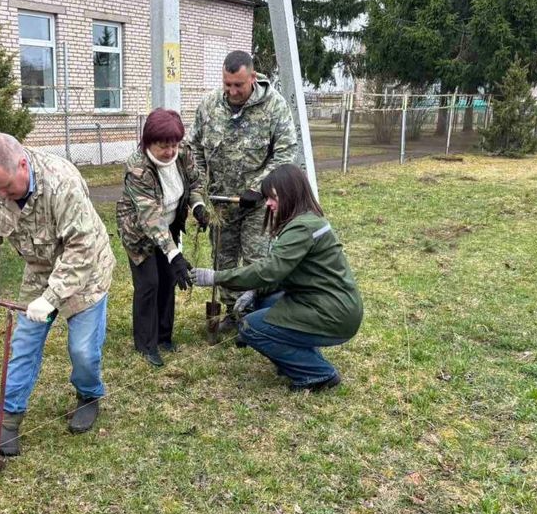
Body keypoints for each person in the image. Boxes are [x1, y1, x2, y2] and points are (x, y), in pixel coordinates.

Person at [0, 133, 115, 456]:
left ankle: (89, 394)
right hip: (40, 270)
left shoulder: (62, 181)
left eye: (6, 187)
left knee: (83, 351)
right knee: (23, 345)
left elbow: (81, 247)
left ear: (22, 164)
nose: (1, 195)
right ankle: (5, 425)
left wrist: (51, 298)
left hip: (87, 271)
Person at [191, 164, 362, 392]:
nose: (268, 204)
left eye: (273, 197)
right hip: (328, 303)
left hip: (334, 313)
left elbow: (268, 270)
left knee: (251, 327)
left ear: (290, 194)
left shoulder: (302, 228)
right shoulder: (306, 221)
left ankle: (318, 374)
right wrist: (254, 291)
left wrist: (216, 277)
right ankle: (299, 357)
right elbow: (282, 273)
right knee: (265, 301)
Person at [187, 50, 298, 333]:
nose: (233, 91)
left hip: (257, 204)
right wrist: (201, 190)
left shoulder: (274, 106)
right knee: (223, 260)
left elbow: (286, 152)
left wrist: (259, 186)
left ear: (253, 77)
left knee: (256, 260)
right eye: (227, 84)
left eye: (238, 85)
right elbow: (193, 148)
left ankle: (254, 315)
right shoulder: (209, 105)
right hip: (220, 203)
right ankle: (231, 312)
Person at [116, 108, 209, 367]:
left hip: (170, 226)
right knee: (149, 283)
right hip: (139, 231)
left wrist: (198, 205)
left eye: (173, 145)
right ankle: (146, 344)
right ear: (148, 142)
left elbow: (196, 182)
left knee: (168, 279)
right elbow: (151, 217)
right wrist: (175, 254)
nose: (169, 152)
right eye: (163, 146)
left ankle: (164, 337)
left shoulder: (183, 153)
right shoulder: (137, 168)